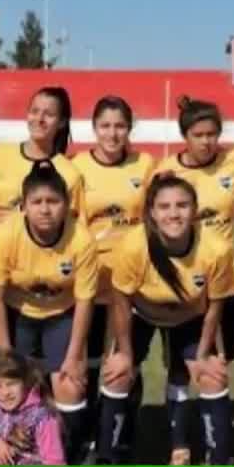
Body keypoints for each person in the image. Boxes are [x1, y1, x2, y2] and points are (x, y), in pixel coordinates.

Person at [102, 175, 234, 465]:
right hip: (141, 314)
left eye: (182, 205)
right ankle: (110, 457)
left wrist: (203, 354)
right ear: (151, 212)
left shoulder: (216, 248)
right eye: (164, 207)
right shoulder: (132, 246)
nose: (173, 213)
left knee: (211, 377)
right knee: (117, 375)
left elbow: (215, 307)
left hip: (191, 317)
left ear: (195, 209)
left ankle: (218, 460)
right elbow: (121, 302)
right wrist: (125, 354)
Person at [0, 161, 99, 464]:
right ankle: (17, 453)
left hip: (61, 315)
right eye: (37, 202)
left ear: (67, 205)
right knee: (12, 386)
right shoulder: (5, 235)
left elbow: (85, 301)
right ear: (24, 206)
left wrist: (75, 356)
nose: (45, 209)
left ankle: (68, 455)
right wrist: (4, 350)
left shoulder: (82, 240)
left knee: (69, 386)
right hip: (17, 315)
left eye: (53, 201)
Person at [149, 96, 234, 364]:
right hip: (185, 279)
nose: (206, 141)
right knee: (181, 363)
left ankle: (212, 406)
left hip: (227, 278)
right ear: (184, 135)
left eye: (212, 134)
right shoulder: (166, 172)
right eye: (198, 135)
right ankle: (181, 405)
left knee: (223, 358)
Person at [70, 96, 157, 433]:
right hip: (91, 281)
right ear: (94, 128)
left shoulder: (145, 164)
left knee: (126, 361)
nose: (112, 133)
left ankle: (122, 436)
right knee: (89, 361)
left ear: (129, 128)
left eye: (120, 125)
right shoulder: (77, 167)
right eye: (105, 125)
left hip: (134, 283)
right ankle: (88, 431)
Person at [0, 85, 86, 230]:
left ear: (62, 122)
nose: (39, 119)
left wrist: (19, 218)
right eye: (34, 111)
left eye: (48, 114)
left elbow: (74, 228)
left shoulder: (70, 174)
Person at [0, 349, 65, 466]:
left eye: (11, 384)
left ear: (26, 382)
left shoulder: (42, 417)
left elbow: (54, 461)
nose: (5, 392)